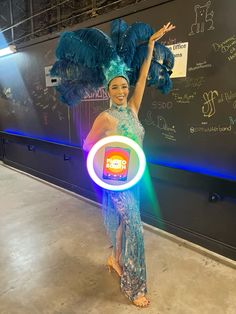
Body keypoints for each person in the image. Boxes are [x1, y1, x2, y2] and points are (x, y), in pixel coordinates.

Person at [82, 22, 175, 307]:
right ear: (108, 90)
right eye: (116, 87)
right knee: (135, 227)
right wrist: (109, 160)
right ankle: (135, 287)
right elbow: (87, 146)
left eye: (124, 85)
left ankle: (114, 258)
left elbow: (143, 79)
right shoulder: (105, 119)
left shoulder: (133, 108)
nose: (122, 91)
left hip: (135, 180)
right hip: (117, 181)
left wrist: (150, 47)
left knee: (125, 222)